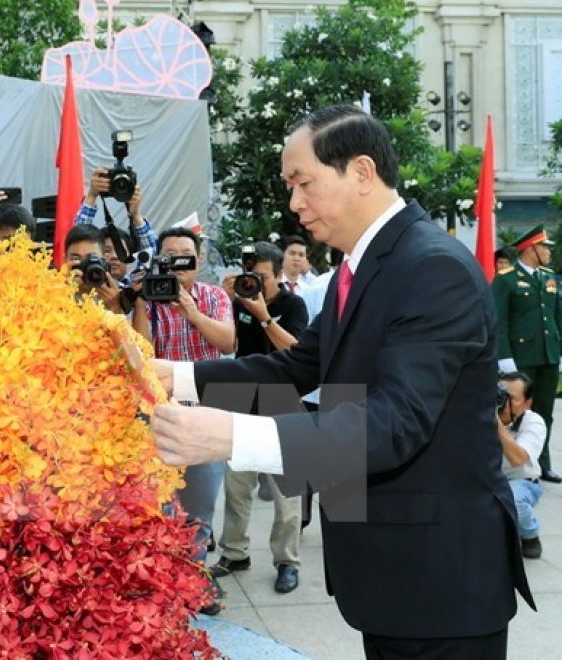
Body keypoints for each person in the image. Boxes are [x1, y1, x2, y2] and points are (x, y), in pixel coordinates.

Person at [149, 105, 534, 657]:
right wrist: (176, 377)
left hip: (438, 582)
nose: (293, 204)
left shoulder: (431, 268)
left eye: (303, 183)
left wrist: (231, 437)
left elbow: (394, 424)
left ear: (360, 171)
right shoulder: (364, 266)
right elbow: (293, 370)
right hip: (390, 573)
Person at [134, 225, 234, 616]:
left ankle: (193, 580)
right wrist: (142, 303)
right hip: (160, 419)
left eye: (184, 258)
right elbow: (141, 356)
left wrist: (189, 308)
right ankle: (164, 582)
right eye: (168, 257)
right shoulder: (149, 300)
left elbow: (228, 343)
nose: (176, 266)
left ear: (199, 260)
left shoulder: (213, 297)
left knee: (200, 508)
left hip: (207, 417)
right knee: (161, 508)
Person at [213, 242, 307, 594]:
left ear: (279, 275)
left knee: (287, 492)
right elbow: (227, 344)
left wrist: (264, 315)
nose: (254, 282)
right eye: (250, 275)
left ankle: (286, 561)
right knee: (237, 486)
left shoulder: (293, 304)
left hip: (282, 397)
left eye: (263, 277)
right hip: (242, 394)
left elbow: (295, 351)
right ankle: (234, 552)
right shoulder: (238, 299)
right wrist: (226, 302)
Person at [491, 225, 562, 483]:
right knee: (513, 412)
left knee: (544, 411)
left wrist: (559, 350)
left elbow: (556, 317)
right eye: (545, 247)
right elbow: (497, 321)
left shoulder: (548, 276)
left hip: (548, 355)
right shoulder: (506, 278)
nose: (549, 252)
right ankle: (509, 462)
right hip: (520, 358)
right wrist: (505, 358)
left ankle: (542, 464)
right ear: (530, 248)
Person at [497, 372, 546, 559]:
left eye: (512, 398)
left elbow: (518, 459)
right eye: (501, 395)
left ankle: (530, 534)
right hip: (487, 478)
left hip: (522, 482)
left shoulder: (533, 422)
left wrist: (496, 423)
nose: (503, 401)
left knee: (512, 498)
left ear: (527, 403)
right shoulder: (478, 414)